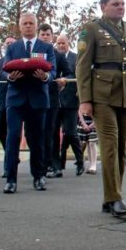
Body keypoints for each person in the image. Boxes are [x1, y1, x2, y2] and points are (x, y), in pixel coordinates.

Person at [76, 0, 126, 217]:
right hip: (102, 95)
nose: (120, 7)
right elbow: (82, 66)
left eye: (123, 3)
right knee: (110, 147)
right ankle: (115, 198)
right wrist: (85, 100)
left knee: (122, 147)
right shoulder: (91, 29)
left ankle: (111, 197)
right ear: (103, 6)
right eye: (116, 4)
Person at [2, 13, 57, 194]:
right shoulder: (13, 47)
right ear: (20, 26)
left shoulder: (46, 47)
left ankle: (38, 177)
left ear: (36, 26)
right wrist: (10, 77)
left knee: (37, 139)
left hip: (38, 100)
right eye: (24, 23)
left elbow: (53, 71)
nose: (28, 26)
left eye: (31, 23)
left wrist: (45, 76)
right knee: (13, 138)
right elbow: (4, 69)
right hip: (15, 99)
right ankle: (11, 179)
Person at [55, 34, 85, 176]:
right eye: (58, 43)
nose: (61, 46)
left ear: (68, 43)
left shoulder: (76, 58)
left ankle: (80, 162)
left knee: (71, 133)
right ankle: (57, 164)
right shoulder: (53, 57)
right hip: (55, 101)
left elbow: (80, 76)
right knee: (54, 133)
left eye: (63, 43)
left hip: (71, 101)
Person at [37, 24, 62, 178]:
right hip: (36, 98)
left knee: (51, 132)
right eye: (43, 34)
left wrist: (64, 79)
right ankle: (41, 163)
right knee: (36, 133)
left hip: (52, 99)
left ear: (52, 37)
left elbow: (69, 72)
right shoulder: (33, 53)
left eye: (48, 34)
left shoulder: (57, 55)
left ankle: (54, 164)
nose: (45, 37)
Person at [0, 36, 15, 155]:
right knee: (1, 129)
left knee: (13, 131)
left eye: (12, 43)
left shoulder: (19, 61)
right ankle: (9, 153)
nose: (9, 45)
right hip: (1, 101)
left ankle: (11, 156)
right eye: (7, 43)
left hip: (16, 101)